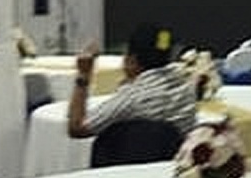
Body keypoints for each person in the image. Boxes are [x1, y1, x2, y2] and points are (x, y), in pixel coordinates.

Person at [65, 22, 200, 140]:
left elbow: (77, 128)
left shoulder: (132, 98)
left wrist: (83, 75)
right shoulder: (187, 90)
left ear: (132, 60)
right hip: (170, 161)